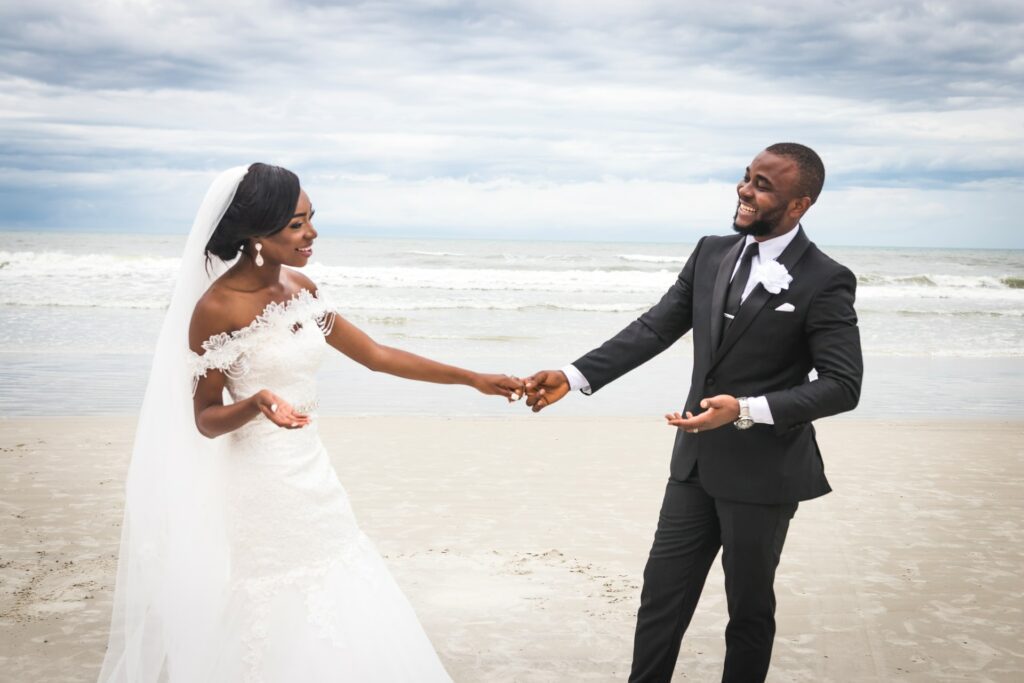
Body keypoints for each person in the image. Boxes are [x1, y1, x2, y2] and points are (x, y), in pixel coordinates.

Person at [98, 163, 523, 682]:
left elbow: (376, 354)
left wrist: (471, 378)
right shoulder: (216, 309)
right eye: (297, 224)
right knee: (277, 594)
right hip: (261, 481)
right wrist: (255, 403)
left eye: (311, 219)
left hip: (313, 469)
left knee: (340, 573)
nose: (312, 233)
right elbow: (204, 419)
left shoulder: (301, 286)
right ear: (257, 233)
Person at [523, 143, 863, 682]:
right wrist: (575, 375)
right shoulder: (711, 253)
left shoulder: (826, 278)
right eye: (746, 177)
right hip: (693, 465)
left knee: (747, 612)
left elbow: (843, 386)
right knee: (661, 599)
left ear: (800, 205)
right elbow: (656, 327)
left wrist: (746, 409)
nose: (745, 190)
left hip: (764, 474)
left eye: (763, 185)